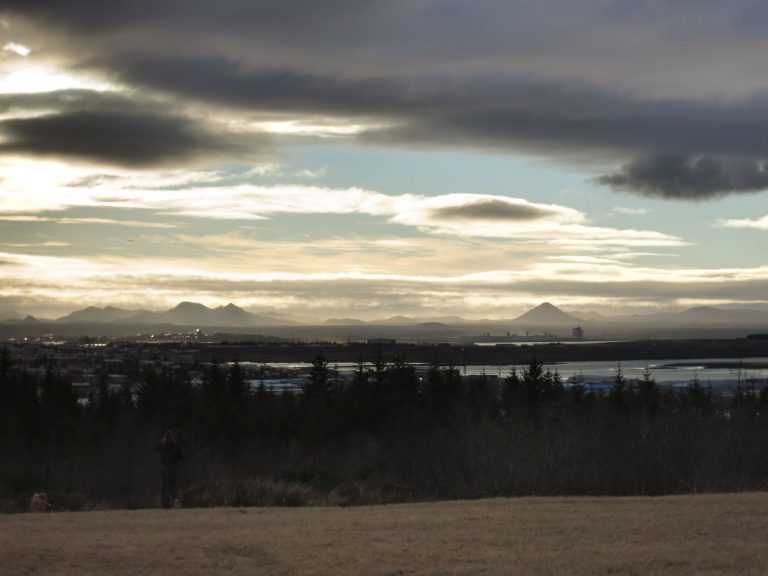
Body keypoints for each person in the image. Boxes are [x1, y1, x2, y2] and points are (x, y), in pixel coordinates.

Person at [155, 429, 182, 508]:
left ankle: (174, 505)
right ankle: (166, 505)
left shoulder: (174, 445)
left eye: (169, 437)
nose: (168, 438)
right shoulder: (163, 445)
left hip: (172, 470)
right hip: (165, 469)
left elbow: (180, 457)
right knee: (166, 489)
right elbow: (155, 448)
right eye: (168, 437)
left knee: (170, 489)